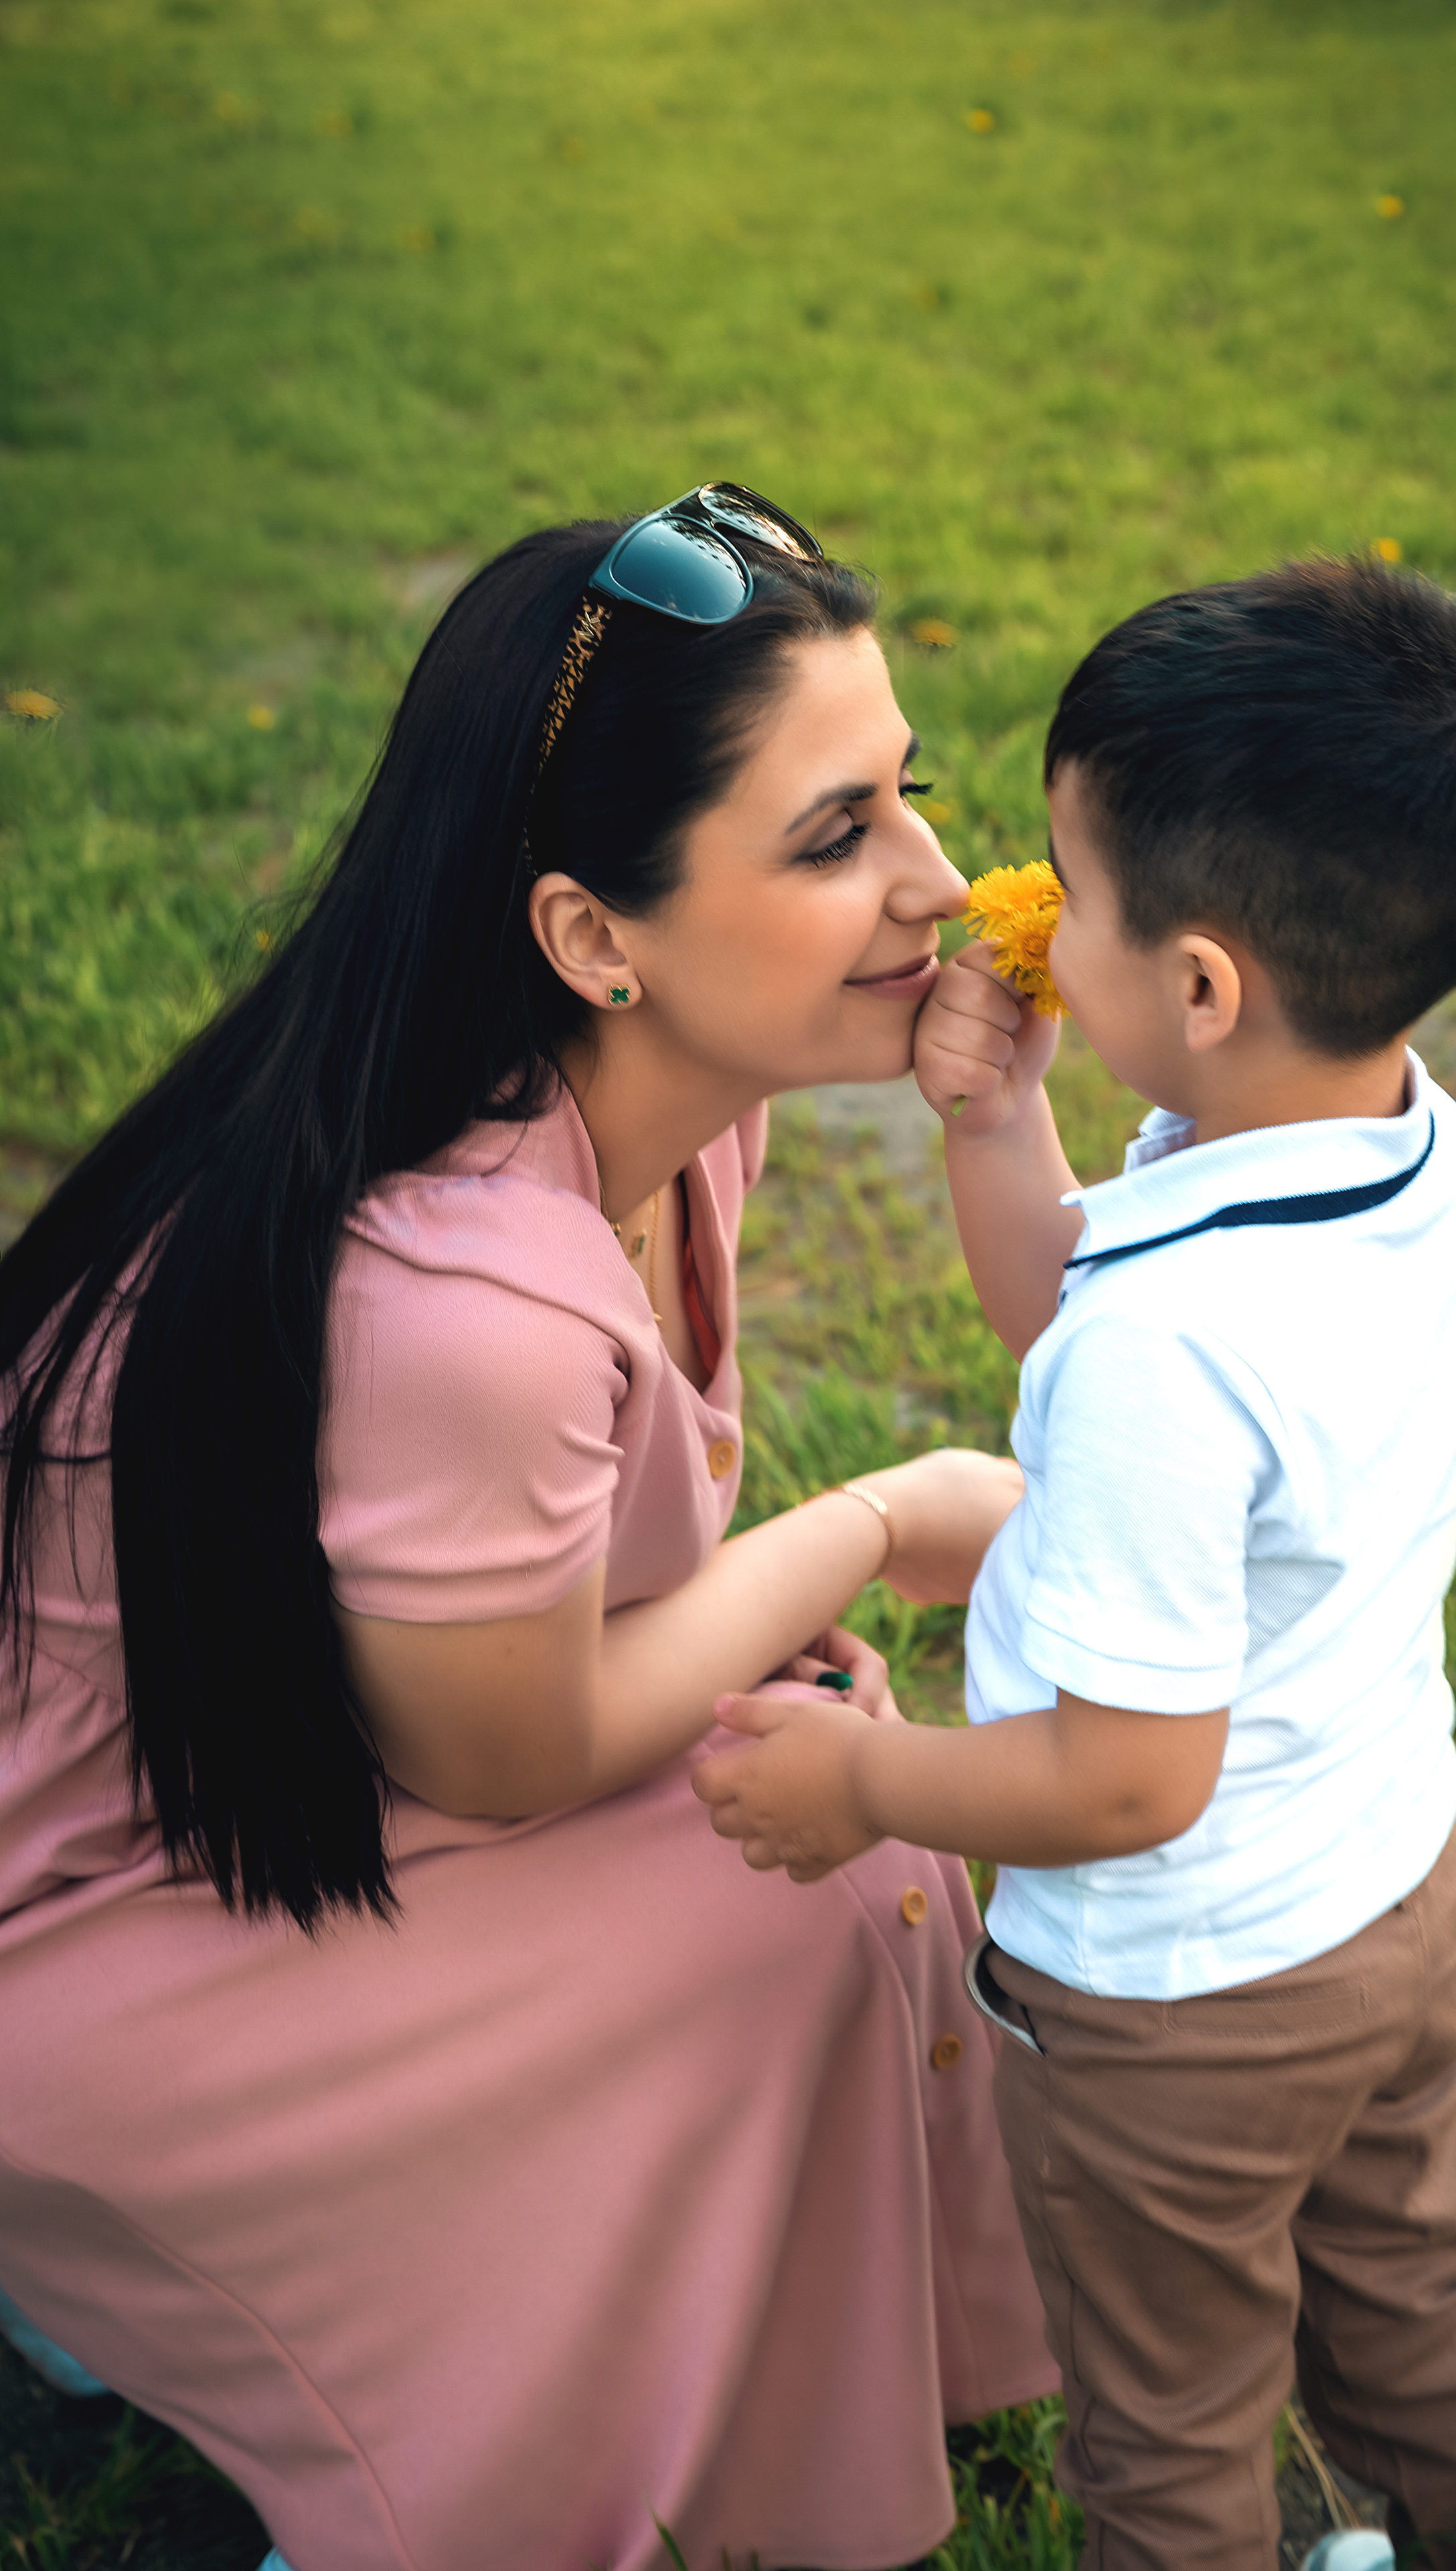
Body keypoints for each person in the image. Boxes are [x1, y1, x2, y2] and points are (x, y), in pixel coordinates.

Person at [0, 485, 1052, 2571]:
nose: (940, 883)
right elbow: (502, 1750)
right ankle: (413, 2420)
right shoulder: (466, 1297)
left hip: (285, 1763)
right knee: (801, 1888)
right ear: (593, 935)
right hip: (86, 1936)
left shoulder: (675, 1109)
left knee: (849, 1807)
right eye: (836, 836)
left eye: (910, 796)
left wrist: (1001, 1122)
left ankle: (694, 2346)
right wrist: (860, 1527)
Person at [694, 556, 1456, 2570]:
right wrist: (998, 1124)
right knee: (1422, 2319)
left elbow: (1124, 1780)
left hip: (1184, 2005)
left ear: (1196, 990)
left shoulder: (1171, 1353)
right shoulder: (1400, 1146)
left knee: (1175, 2443)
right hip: (1389, 1891)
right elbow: (1080, 1323)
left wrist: (863, 1786)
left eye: (1069, 892)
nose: (1007, 908)